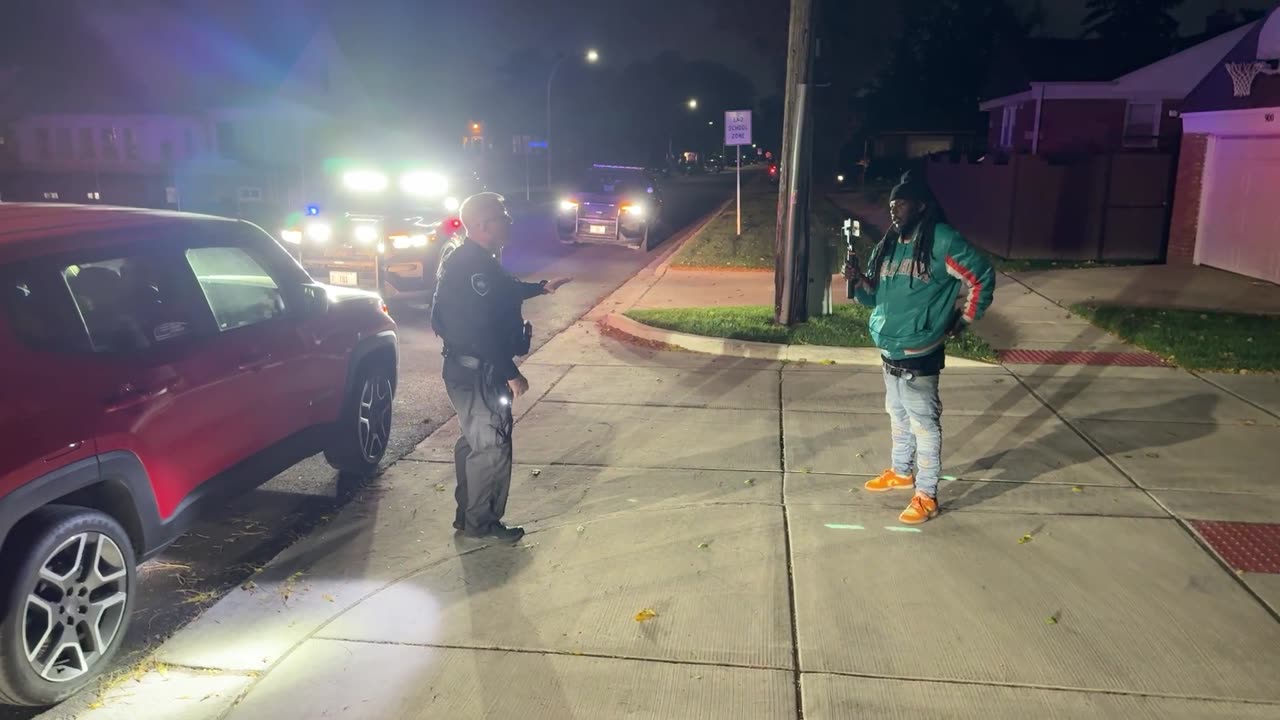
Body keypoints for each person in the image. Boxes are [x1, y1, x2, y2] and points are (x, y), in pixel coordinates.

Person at [845, 171, 995, 524]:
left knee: (924, 425)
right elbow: (872, 298)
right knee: (897, 416)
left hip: (919, 353)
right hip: (888, 350)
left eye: (901, 203)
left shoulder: (942, 240)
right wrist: (859, 282)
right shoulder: (889, 243)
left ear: (921, 206)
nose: (894, 210)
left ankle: (926, 494)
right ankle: (901, 471)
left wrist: (965, 318)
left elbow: (982, 275)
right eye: (891, 204)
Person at [430, 192, 570, 541]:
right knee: (491, 446)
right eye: (501, 217)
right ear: (482, 225)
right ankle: (482, 523)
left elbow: (502, 291)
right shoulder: (471, 264)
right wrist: (510, 372)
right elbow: (478, 329)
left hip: (470, 368)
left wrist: (540, 289)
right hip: (478, 370)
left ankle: (468, 516)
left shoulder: (478, 260)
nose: (508, 221)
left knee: (475, 442)